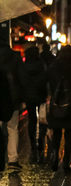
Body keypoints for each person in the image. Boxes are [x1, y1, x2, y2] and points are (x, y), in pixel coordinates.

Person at [47, 45, 71, 173]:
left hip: (56, 105)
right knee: (69, 136)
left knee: (56, 134)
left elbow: (48, 85)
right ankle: (66, 164)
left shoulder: (53, 68)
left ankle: (54, 159)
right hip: (70, 107)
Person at [0, 25, 25, 170]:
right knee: (13, 128)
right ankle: (12, 160)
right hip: (12, 98)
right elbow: (21, 78)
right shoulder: (15, 56)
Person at [22, 46, 48, 163]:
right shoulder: (41, 65)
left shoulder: (24, 66)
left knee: (32, 120)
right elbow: (45, 80)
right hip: (40, 96)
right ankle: (41, 142)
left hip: (29, 97)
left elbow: (22, 81)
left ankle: (33, 144)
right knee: (42, 120)